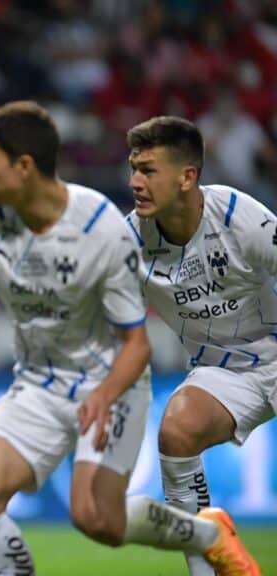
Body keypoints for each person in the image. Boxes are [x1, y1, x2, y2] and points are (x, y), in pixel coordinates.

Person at [0, 102, 259, 576]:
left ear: (24, 167)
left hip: (113, 383)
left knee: (95, 518)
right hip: (39, 384)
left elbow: (136, 343)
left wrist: (103, 397)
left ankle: (209, 534)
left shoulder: (100, 226)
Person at [127, 115, 271, 576]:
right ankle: (208, 567)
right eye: (133, 168)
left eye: (149, 169)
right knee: (177, 429)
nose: (135, 182)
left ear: (187, 176)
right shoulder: (129, 241)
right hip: (223, 370)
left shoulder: (239, 217)